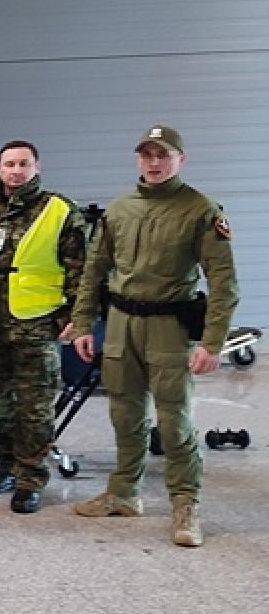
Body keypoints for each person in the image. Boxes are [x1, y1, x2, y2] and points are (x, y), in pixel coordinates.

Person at [68, 125, 239, 547]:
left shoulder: (200, 210)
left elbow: (223, 282)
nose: (155, 162)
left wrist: (212, 342)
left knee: (173, 418)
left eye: (163, 155)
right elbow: (95, 270)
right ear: (137, 159)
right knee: (125, 414)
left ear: (181, 159)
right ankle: (124, 492)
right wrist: (84, 321)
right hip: (122, 323)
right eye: (147, 154)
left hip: (169, 327)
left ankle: (185, 503)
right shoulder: (119, 208)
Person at [0, 140, 87, 514]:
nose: (16, 170)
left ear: (37, 167)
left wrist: (75, 316)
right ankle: (6, 466)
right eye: (9, 164)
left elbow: (79, 269)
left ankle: (30, 479)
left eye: (23, 163)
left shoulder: (59, 210)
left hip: (37, 325)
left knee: (35, 408)